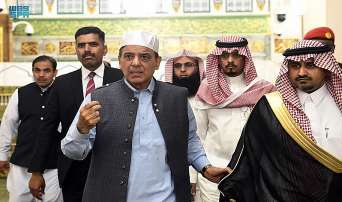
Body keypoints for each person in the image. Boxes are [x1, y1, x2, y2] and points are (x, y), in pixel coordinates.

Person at [61, 31, 230, 202]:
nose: (135, 63)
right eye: (128, 56)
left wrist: (205, 168)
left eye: (144, 57)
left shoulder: (176, 98)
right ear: (119, 61)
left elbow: (190, 140)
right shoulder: (98, 98)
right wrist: (80, 130)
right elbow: (72, 152)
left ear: (157, 62)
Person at [219, 40, 342, 202]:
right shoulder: (271, 107)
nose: (301, 72)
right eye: (294, 66)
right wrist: (232, 191)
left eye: (310, 65)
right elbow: (248, 155)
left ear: (326, 68)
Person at [28, 26, 123, 201]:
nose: (87, 50)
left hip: (116, 168)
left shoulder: (121, 79)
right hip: (73, 169)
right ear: (76, 49)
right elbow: (46, 129)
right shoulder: (62, 84)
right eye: (81, 45)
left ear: (105, 48)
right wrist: (36, 171)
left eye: (93, 44)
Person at [195, 36, 275, 201]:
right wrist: (194, 175)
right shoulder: (206, 90)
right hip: (213, 174)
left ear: (245, 57)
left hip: (253, 173)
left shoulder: (263, 90)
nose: (230, 60)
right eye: (224, 55)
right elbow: (196, 137)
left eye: (236, 55)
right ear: (217, 58)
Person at [0, 55, 62, 202]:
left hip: (53, 164)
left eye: (46, 70)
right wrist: (2, 155)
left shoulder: (63, 93)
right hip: (22, 161)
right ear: (32, 71)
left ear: (55, 72)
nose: (41, 75)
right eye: (37, 70)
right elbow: (8, 125)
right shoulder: (20, 93)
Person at [164, 49, 205, 201]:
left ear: (198, 68)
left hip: (206, 171)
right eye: (177, 66)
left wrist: (193, 176)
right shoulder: (165, 100)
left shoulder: (208, 99)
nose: (182, 70)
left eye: (188, 65)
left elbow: (201, 138)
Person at [304, 26, 342, 94]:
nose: (323, 52)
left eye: (327, 48)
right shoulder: (297, 73)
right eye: (317, 48)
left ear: (333, 48)